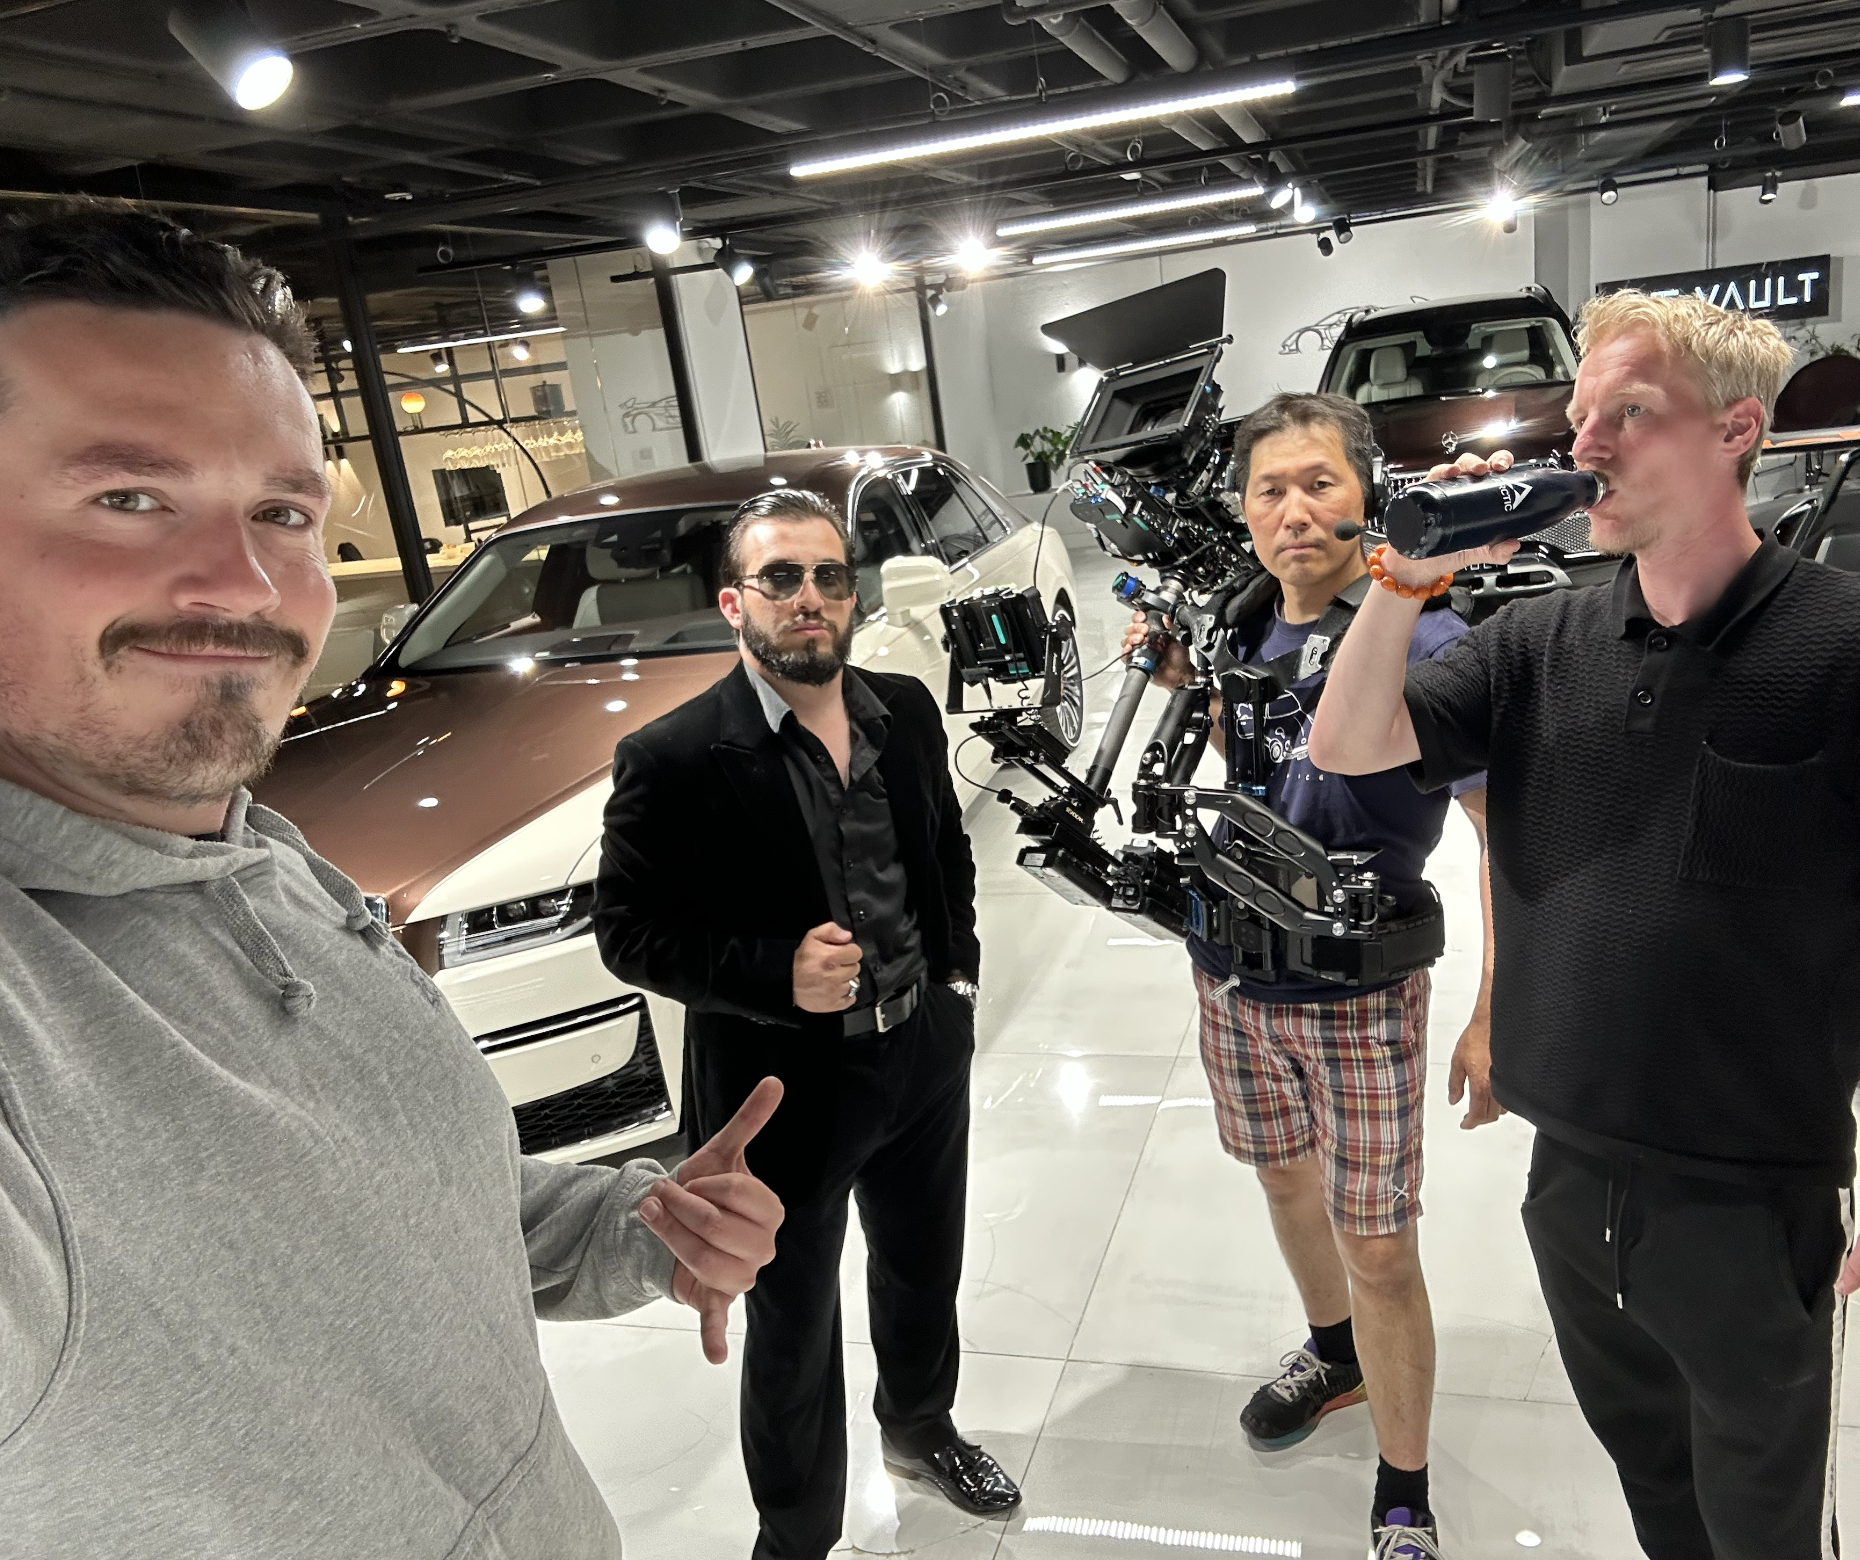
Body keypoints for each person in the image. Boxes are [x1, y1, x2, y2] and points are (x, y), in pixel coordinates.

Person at [0, 205, 785, 1559]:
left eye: (283, 512)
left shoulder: (259, 854)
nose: (244, 584)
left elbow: (399, 1197)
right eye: (129, 497)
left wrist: (627, 1228)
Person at [1308, 290, 1860, 1559]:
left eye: (1630, 414)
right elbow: (1348, 742)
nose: (1586, 444)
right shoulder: (1539, 640)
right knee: (1654, 1484)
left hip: (1749, 1195)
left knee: (1762, 1524)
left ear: (1736, 432)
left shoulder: (1838, 645)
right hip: (1568, 1176)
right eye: (1580, 416)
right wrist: (1404, 577)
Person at [592, 488, 1020, 1560]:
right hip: (777, 1088)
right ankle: (795, 1537)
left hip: (920, 1049)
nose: (810, 597)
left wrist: (957, 984)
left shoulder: (904, 711)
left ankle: (919, 1429)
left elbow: (946, 855)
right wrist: (774, 972)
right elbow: (629, 935)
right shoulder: (675, 756)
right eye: (781, 577)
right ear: (734, 602)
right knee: (791, 1320)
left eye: (830, 575)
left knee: (923, 1264)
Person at [1122, 392, 1493, 1560]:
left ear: (1366, 496)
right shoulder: (1240, 624)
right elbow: (1267, 762)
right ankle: (1334, 1358)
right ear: (1241, 511)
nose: (1293, 510)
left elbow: (1502, 829)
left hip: (1360, 993)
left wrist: (1498, 1006)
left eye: (1319, 483)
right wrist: (1188, 691)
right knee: (1283, 1179)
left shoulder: (1425, 638)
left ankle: (1404, 1490)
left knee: (1377, 1244)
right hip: (1232, 974)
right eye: (1269, 489)